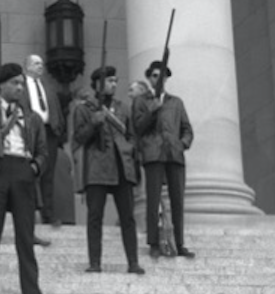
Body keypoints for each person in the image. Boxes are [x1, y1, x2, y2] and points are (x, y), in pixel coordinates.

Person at [0, 62, 65, 294]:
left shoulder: (32, 117)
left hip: (23, 172)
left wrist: (34, 168)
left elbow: (44, 153)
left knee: (26, 242)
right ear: (0, 86)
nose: (19, 88)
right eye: (14, 83)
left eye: (22, 84)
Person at [71, 66, 144, 275]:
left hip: (122, 166)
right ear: (98, 84)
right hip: (97, 167)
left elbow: (131, 135)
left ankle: (133, 262)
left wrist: (130, 149)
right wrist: (94, 123)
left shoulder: (123, 108)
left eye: (115, 80)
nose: (114, 84)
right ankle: (95, 262)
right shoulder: (85, 108)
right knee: (95, 216)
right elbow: (78, 138)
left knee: (127, 217)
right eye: (110, 80)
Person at [132, 60, 195, 259]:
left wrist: (181, 144)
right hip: (153, 154)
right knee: (152, 200)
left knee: (178, 200)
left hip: (174, 155)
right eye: (153, 76)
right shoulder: (141, 101)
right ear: (149, 79)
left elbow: (187, 129)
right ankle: (153, 242)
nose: (157, 79)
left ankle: (179, 242)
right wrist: (153, 109)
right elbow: (138, 128)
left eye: (161, 75)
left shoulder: (176, 102)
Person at [22, 53, 65, 227]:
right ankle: (30, 212)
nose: (40, 66)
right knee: (29, 172)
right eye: (36, 63)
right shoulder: (22, 86)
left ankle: (49, 213)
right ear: (27, 66)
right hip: (30, 132)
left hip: (49, 132)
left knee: (48, 174)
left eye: (41, 63)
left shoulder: (48, 87)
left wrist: (59, 129)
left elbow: (57, 111)